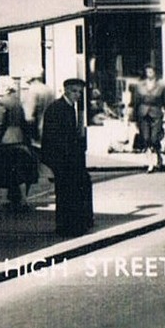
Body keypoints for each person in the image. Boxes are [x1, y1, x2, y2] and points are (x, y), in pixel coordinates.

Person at [40, 78, 93, 235]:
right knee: (65, 192)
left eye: (79, 92)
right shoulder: (58, 108)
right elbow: (54, 136)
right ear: (66, 90)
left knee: (70, 191)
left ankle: (72, 223)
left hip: (68, 157)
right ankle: (66, 226)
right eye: (74, 91)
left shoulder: (69, 108)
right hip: (62, 158)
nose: (77, 95)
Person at [0, 77, 37, 210]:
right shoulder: (17, 102)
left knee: (0, 171)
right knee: (19, 171)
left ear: (4, 87)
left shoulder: (1, 103)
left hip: (6, 141)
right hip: (19, 139)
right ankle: (22, 199)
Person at [129, 66, 165, 172]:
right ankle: (150, 163)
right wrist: (133, 118)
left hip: (156, 113)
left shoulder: (161, 86)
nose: (149, 72)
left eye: (151, 71)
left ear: (155, 72)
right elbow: (135, 102)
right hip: (143, 114)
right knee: (146, 138)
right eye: (147, 71)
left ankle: (158, 156)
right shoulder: (140, 86)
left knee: (154, 138)